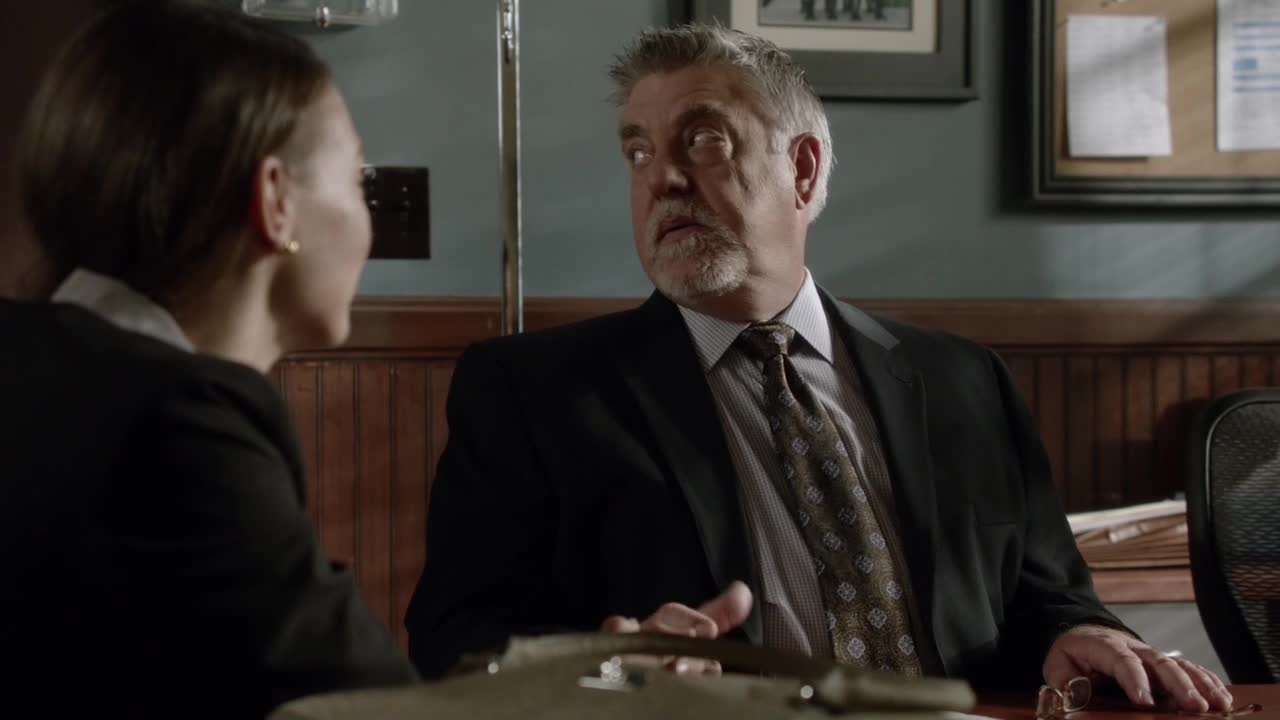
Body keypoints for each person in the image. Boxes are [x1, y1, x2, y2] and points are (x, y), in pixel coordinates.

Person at [404, 22, 1231, 713]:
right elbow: (453, 642)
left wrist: (1076, 634)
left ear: (801, 170)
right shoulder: (535, 393)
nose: (662, 178)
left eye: (702, 140)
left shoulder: (962, 380)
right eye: (638, 152)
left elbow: (1048, 596)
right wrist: (612, 670)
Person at [0, 1, 416, 715]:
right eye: (359, 179)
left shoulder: (32, 360)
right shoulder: (179, 429)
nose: (368, 217)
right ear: (275, 200)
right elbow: (372, 708)